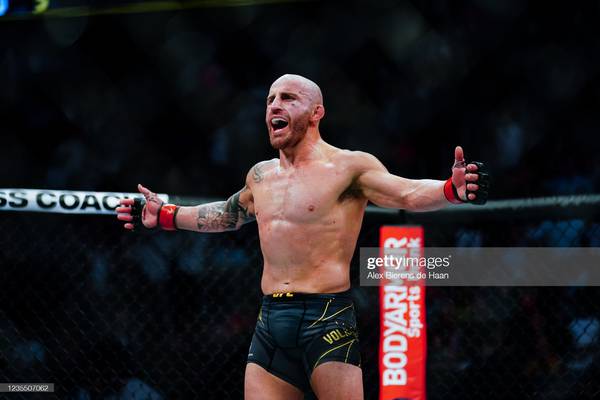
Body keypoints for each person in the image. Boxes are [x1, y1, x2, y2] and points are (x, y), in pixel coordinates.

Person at [116, 74, 489, 400]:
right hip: (270, 321)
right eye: (270, 100)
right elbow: (227, 215)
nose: (274, 106)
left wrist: (450, 190)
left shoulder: (349, 166)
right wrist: (166, 215)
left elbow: (405, 193)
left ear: (316, 113)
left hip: (326, 318)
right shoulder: (260, 175)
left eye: (288, 98)